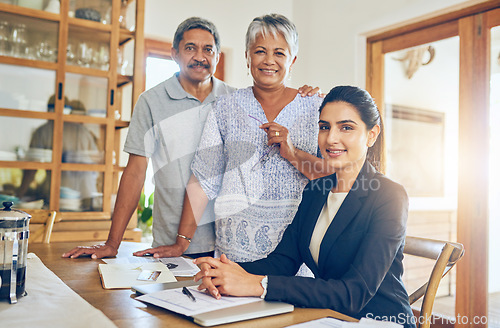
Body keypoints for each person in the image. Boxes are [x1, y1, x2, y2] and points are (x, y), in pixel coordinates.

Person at [62, 17, 319, 259]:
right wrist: (112, 243)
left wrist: (306, 97)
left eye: (208, 49)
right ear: (174, 53)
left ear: (218, 56)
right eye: (190, 48)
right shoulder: (153, 102)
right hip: (175, 241)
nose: (199, 56)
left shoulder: (233, 99)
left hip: (226, 242)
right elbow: (135, 173)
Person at [193, 86, 417, 328]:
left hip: (378, 321)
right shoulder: (315, 191)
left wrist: (258, 285)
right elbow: (283, 262)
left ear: (372, 135)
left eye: (346, 127)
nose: (331, 138)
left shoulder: (389, 196)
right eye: (324, 127)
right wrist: (225, 271)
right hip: (328, 316)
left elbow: (353, 293)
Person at [134, 14, 325, 269]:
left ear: (293, 60)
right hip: (233, 253)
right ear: (247, 56)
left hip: (297, 251)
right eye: (260, 51)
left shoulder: (317, 108)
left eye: (279, 53)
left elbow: (334, 175)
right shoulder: (225, 106)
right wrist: (182, 242)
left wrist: (292, 154)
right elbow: (203, 179)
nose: (269, 60)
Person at [18, 95, 101, 211]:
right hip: (86, 194)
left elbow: (32, 168)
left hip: (58, 196)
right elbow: (97, 161)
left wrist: (18, 195)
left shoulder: (43, 131)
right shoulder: (83, 132)